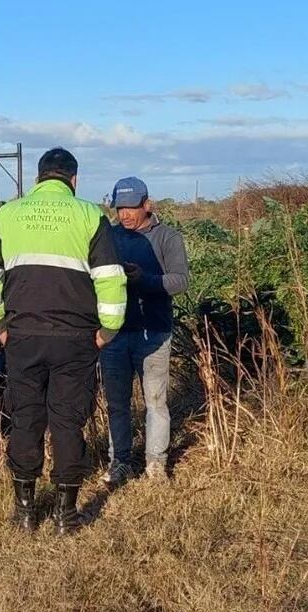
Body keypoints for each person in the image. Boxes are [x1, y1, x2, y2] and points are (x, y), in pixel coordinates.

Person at [0, 147, 127, 534]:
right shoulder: (91, 216)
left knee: (25, 419)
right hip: (77, 338)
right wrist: (108, 330)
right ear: (73, 180)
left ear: (38, 179)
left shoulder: (7, 215)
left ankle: (25, 512)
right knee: (67, 421)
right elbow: (110, 277)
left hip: (21, 336)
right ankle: (66, 514)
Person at [99, 177, 189, 485]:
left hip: (155, 333)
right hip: (114, 334)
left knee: (155, 402)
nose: (124, 214)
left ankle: (155, 465)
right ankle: (119, 462)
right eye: (120, 208)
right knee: (117, 403)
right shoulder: (108, 238)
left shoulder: (168, 238)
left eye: (131, 208)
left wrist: (144, 280)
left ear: (147, 205)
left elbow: (180, 281)